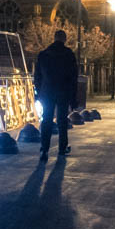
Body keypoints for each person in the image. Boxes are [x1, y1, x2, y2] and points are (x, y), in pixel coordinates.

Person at [33, 29, 78, 162]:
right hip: (63, 92)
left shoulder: (44, 54)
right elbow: (73, 78)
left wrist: (39, 93)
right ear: (64, 39)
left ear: (54, 38)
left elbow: (37, 77)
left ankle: (44, 149)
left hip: (47, 92)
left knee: (46, 119)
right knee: (62, 120)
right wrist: (73, 98)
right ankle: (62, 149)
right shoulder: (69, 54)